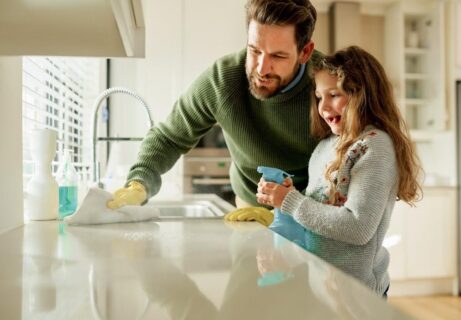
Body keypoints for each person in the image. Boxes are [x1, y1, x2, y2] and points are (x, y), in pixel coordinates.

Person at [227, 46, 422, 297]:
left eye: (334, 95)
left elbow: (357, 227)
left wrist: (290, 201)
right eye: (319, 97)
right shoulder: (326, 146)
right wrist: (284, 209)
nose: (324, 107)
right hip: (323, 286)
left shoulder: (374, 146)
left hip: (357, 295)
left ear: (362, 95)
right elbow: (317, 220)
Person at [107, 0, 328, 210]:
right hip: (250, 203)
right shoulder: (223, 80)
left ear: (305, 52)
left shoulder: (330, 82)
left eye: (277, 56)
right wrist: (139, 183)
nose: (261, 69)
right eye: (255, 50)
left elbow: (355, 153)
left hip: (310, 207)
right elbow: (169, 137)